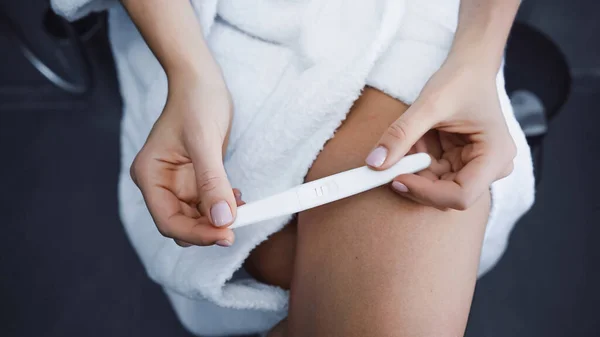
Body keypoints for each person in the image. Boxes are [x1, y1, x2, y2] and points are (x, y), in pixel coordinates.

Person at [53, 0, 535, 336]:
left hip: (428, 28)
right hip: (224, 24)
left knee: (401, 233)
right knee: (286, 260)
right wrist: (188, 72)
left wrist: (476, 59)